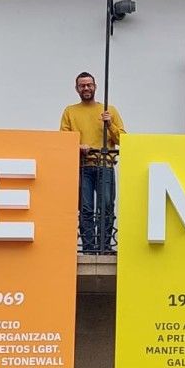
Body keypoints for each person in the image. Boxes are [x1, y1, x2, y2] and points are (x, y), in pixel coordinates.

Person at [59, 72, 125, 254]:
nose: (86, 88)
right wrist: (78, 145)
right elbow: (63, 139)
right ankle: (88, 248)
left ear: (95, 87)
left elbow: (122, 139)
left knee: (105, 207)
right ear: (76, 89)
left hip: (105, 164)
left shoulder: (108, 110)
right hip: (83, 166)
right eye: (82, 85)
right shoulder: (70, 111)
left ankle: (104, 246)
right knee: (86, 208)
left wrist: (110, 123)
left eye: (89, 85)